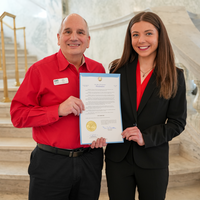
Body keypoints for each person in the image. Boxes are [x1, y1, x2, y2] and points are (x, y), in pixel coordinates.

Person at [10, 13, 106, 200]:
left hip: (90, 161)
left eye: (80, 32)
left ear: (88, 40)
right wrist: (57, 110)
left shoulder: (98, 70)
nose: (73, 37)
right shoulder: (39, 70)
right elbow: (17, 115)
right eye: (67, 32)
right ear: (58, 38)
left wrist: (104, 134)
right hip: (50, 163)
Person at [105, 11, 187, 200]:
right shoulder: (117, 70)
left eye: (148, 33)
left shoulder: (175, 76)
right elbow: (108, 111)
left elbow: (177, 122)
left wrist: (146, 137)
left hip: (153, 158)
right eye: (135, 35)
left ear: (160, 36)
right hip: (118, 158)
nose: (141, 40)